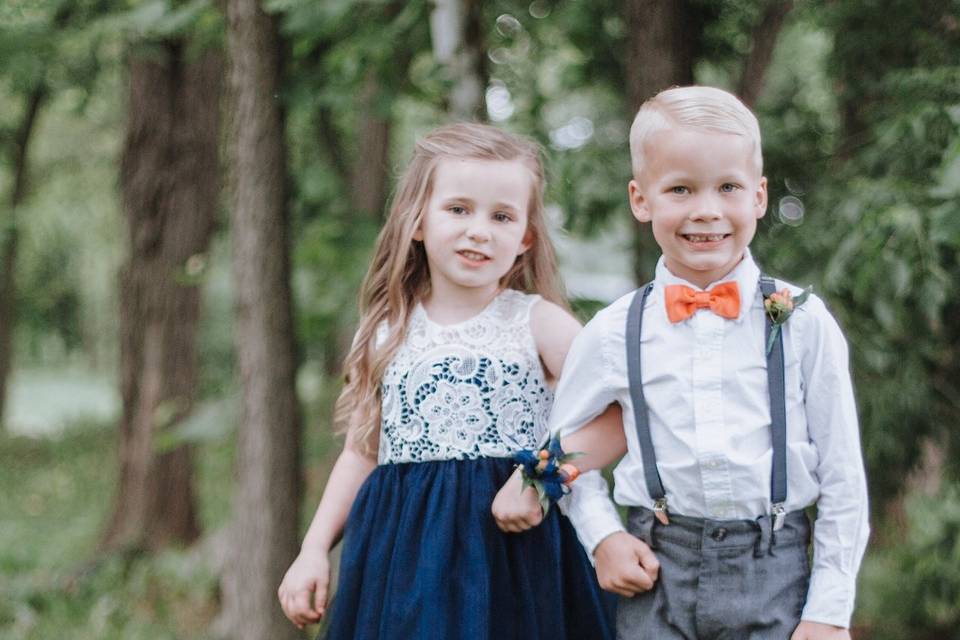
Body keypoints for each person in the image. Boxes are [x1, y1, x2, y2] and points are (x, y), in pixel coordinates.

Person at [494, 86, 870, 640]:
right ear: (641, 200)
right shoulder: (613, 331)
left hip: (777, 572)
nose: (706, 210)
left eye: (728, 188)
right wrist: (604, 538)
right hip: (657, 573)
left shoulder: (801, 322)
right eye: (680, 189)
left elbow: (843, 476)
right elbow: (566, 449)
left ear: (759, 196)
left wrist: (829, 611)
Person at [277, 122, 614, 640]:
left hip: (511, 557)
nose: (479, 229)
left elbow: (614, 411)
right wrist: (314, 549)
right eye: (458, 209)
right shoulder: (384, 332)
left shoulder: (538, 322)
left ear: (525, 237)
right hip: (403, 560)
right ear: (417, 221)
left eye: (501, 216)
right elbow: (361, 452)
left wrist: (539, 481)